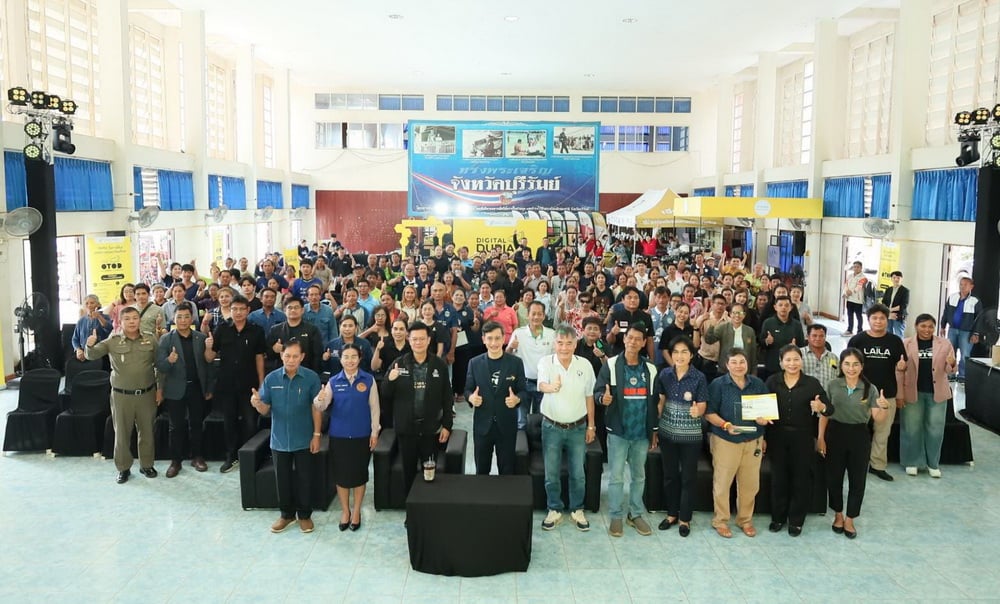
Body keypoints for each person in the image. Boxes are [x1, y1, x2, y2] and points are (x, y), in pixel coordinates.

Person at [818, 348, 891, 539]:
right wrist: (821, 438)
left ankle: (850, 518)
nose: (851, 368)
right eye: (847, 364)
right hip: (835, 433)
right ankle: (838, 515)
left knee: (857, 480)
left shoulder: (870, 388)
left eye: (856, 364)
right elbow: (825, 414)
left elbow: (878, 418)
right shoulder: (832, 385)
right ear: (841, 365)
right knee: (834, 478)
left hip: (859, 436)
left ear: (862, 366)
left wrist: (884, 408)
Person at [251, 340, 323, 534]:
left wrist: (317, 435)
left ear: (302, 357)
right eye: (287, 356)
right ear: (281, 355)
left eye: (295, 356)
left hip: (304, 437)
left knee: (304, 479)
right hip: (279, 439)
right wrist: (257, 404)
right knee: (282, 479)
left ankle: (305, 515)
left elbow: (316, 408)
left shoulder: (311, 378)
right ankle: (286, 515)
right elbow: (265, 409)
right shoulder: (271, 378)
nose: (291, 360)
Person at [595, 325, 658, 537]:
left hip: (641, 432)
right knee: (616, 476)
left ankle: (635, 514)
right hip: (618, 431)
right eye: (629, 338)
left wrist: (654, 430)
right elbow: (598, 390)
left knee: (639, 476)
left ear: (643, 343)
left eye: (638, 339)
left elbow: (654, 401)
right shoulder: (611, 364)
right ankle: (616, 515)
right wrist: (602, 398)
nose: (633, 342)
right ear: (624, 339)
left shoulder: (651, 368)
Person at [85, 307, 161, 484]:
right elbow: (92, 355)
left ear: (140, 320)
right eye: (127, 319)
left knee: (147, 432)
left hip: (146, 394)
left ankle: (147, 465)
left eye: (135, 318)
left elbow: (159, 365)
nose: (132, 322)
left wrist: (160, 389)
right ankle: (123, 468)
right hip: (121, 396)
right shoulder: (113, 341)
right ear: (120, 322)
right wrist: (89, 345)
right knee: (122, 434)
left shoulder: (150, 339)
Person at [381, 323, 454, 503]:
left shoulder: (439, 364)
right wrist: (390, 380)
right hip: (406, 428)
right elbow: (385, 393)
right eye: (414, 339)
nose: (418, 342)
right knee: (408, 471)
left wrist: (447, 425)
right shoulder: (399, 363)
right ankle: (411, 507)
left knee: (429, 471)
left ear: (429, 340)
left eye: (422, 339)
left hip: (430, 428)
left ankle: (427, 505)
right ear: (409, 340)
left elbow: (447, 397)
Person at [764, 345, 832, 536]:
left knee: (801, 479)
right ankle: (778, 518)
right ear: (781, 362)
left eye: (796, 359)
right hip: (777, 436)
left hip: (802, 437)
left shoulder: (811, 383)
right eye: (788, 360)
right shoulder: (772, 381)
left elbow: (829, 409)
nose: (792, 364)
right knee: (779, 479)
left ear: (801, 361)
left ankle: (796, 520)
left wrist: (821, 407)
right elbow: (761, 408)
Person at [536, 324, 597, 531]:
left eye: (568, 343)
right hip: (551, 427)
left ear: (575, 344)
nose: (564, 347)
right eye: (560, 343)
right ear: (555, 343)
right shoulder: (546, 362)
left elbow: (589, 396)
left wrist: (591, 426)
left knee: (578, 473)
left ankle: (577, 509)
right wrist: (551, 387)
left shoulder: (585, 365)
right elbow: (541, 385)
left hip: (578, 428)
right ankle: (554, 508)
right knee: (551, 472)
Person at [314, 344, 380, 531]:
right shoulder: (333, 381)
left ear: (359, 359)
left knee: (359, 475)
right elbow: (321, 406)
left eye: (353, 357)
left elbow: (375, 409)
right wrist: (319, 398)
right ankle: (345, 511)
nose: (350, 360)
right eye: (346, 357)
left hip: (362, 435)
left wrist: (374, 432)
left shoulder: (368, 380)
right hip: (339, 435)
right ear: (340, 359)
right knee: (341, 476)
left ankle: (357, 511)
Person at [705, 350, 769, 538]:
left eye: (742, 362)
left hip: (753, 441)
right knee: (722, 483)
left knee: (750, 485)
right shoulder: (718, 385)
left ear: (748, 364)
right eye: (734, 362)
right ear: (727, 365)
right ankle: (720, 521)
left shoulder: (757, 384)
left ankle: (745, 520)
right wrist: (725, 425)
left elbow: (766, 412)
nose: (739, 366)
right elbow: (708, 413)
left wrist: (763, 421)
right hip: (726, 440)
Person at [206, 296, 266, 473]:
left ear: (248, 310)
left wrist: (262, 384)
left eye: (241, 309)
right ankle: (231, 456)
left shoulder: (256, 331)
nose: (238, 312)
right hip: (227, 385)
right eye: (235, 309)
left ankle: (249, 456)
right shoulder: (222, 329)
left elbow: (259, 358)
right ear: (230, 311)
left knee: (250, 422)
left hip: (249, 385)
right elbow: (209, 358)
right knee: (229, 422)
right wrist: (208, 346)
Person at [655, 336, 708, 537]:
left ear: (691, 355)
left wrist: (698, 411)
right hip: (667, 433)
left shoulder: (699, 377)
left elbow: (702, 404)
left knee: (688, 477)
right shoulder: (665, 375)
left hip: (690, 436)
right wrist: (655, 427)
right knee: (670, 476)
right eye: (676, 352)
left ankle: (684, 518)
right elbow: (661, 401)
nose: (680, 356)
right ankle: (671, 514)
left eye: (684, 352)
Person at [848, 303, 907, 482]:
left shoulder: (895, 341)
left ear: (887, 320)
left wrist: (902, 367)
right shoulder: (857, 340)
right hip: (861, 393)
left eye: (882, 318)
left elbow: (902, 366)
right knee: (857, 431)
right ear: (868, 319)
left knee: (882, 432)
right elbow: (847, 366)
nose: (878, 321)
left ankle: (877, 466)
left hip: (886, 394)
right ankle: (854, 463)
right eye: (874, 318)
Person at [156, 302, 214, 477]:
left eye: (186, 316)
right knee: (176, 427)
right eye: (179, 317)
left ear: (192, 318)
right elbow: (160, 366)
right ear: (173, 318)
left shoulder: (200, 338)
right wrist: (169, 361)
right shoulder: (166, 339)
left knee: (196, 424)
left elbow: (208, 365)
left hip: (196, 387)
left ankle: (197, 457)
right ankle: (176, 461)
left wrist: (209, 387)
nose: (183, 320)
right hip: (175, 389)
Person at [465, 321, 527, 475]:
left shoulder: (516, 363)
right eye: (490, 338)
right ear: (483, 339)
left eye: (497, 338)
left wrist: (517, 399)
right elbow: (467, 390)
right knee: (481, 470)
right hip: (482, 425)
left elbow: (523, 391)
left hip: (506, 425)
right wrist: (471, 398)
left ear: (504, 339)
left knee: (507, 470)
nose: (494, 343)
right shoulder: (474, 363)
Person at [899, 314, 957, 478]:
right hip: (913, 392)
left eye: (931, 326)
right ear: (916, 326)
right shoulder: (906, 343)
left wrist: (952, 363)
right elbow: (900, 370)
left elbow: (951, 370)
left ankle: (933, 463)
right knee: (911, 428)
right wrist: (900, 391)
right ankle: (912, 461)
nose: (927, 330)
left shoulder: (945, 344)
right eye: (923, 326)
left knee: (935, 429)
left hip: (937, 393)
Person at [507, 301, 556, 424]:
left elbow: (555, 358)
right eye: (533, 314)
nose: (536, 317)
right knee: (521, 420)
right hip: (523, 382)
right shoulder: (518, 333)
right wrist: (511, 347)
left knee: (540, 420)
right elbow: (507, 355)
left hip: (544, 383)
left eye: (539, 314)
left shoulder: (552, 334)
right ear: (528, 315)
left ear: (544, 316)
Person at [265, 296, 325, 374]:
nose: (293, 310)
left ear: (302, 310)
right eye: (290, 308)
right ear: (284, 310)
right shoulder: (275, 330)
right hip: (281, 373)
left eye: (296, 307)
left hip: (306, 373)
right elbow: (268, 355)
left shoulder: (312, 330)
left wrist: (314, 374)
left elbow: (317, 355)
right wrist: (274, 350)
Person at [939, 275, 982, 382]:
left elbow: (979, 319)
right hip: (952, 330)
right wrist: (943, 326)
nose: (962, 287)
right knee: (950, 352)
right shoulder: (952, 297)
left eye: (965, 285)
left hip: (967, 332)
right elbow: (946, 312)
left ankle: (962, 375)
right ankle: (951, 373)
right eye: (961, 284)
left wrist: (976, 333)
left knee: (965, 355)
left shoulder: (975, 301)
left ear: (971, 286)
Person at [759, 296, 805, 382]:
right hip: (772, 366)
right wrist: (767, 341)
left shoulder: (797, 324)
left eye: (786, 305)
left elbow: (802, 345)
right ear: (775, 307)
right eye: (780, 305)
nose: (783, 308)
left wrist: (795, 347)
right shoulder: (768, 323)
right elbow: (761, 343)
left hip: (791, 366)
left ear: (791, 307)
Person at [704, 302, 757, 374]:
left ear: (744, 315)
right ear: (730, 314)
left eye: (740, 313)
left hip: (743, 370)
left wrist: (754, 373)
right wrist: (711, 327)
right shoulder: (723, 327)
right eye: (734, 313)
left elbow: (753, 354)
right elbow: (709, 340)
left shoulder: (750, 331)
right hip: (725, 370)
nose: (737, 315)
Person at [72, 294, 112, 361]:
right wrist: (78, 350)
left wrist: (99, 317)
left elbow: (109, 328)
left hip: (101, 354)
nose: (89, 305)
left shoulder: (105, 317)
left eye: (92, 303)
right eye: (87, 303)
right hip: (84, 354)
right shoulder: (81, 321)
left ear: (98, 304)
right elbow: (75, 339)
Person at [658, 302, 696, 367]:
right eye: (680, 312)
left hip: (688, 365)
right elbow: (664, 351)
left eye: (686, 313)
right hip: (672, 366)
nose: (682, 315)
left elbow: (695, 345)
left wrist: (696, 327)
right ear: (675, 312)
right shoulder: (667, 330)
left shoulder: (690, 329)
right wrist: (674, 366)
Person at [842, 261, 868, 336]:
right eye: (854, 267)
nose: (856, 268)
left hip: (858, 300)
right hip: (849, 299)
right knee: (849, 315)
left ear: (861, 268)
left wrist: (852, 292)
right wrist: (845, 293)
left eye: (857, 267)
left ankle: (859, 331)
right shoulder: (850, 276)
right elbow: (846, 285)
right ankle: (849, 330)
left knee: (858, 316)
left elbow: (859, 287)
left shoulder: (863, 277)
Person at [881, 271, 909, 338]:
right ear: (891, 279)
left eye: (898, 278)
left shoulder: (905, 291)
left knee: (899, 335)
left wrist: (890, 310)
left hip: (898, 316)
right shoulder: (888, 289)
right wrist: (888, 312)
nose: (896, 279)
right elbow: (884, 302)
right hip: (888, 315)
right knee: (888, 334)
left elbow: (904, 305)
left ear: (901, 279)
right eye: (894, 277)